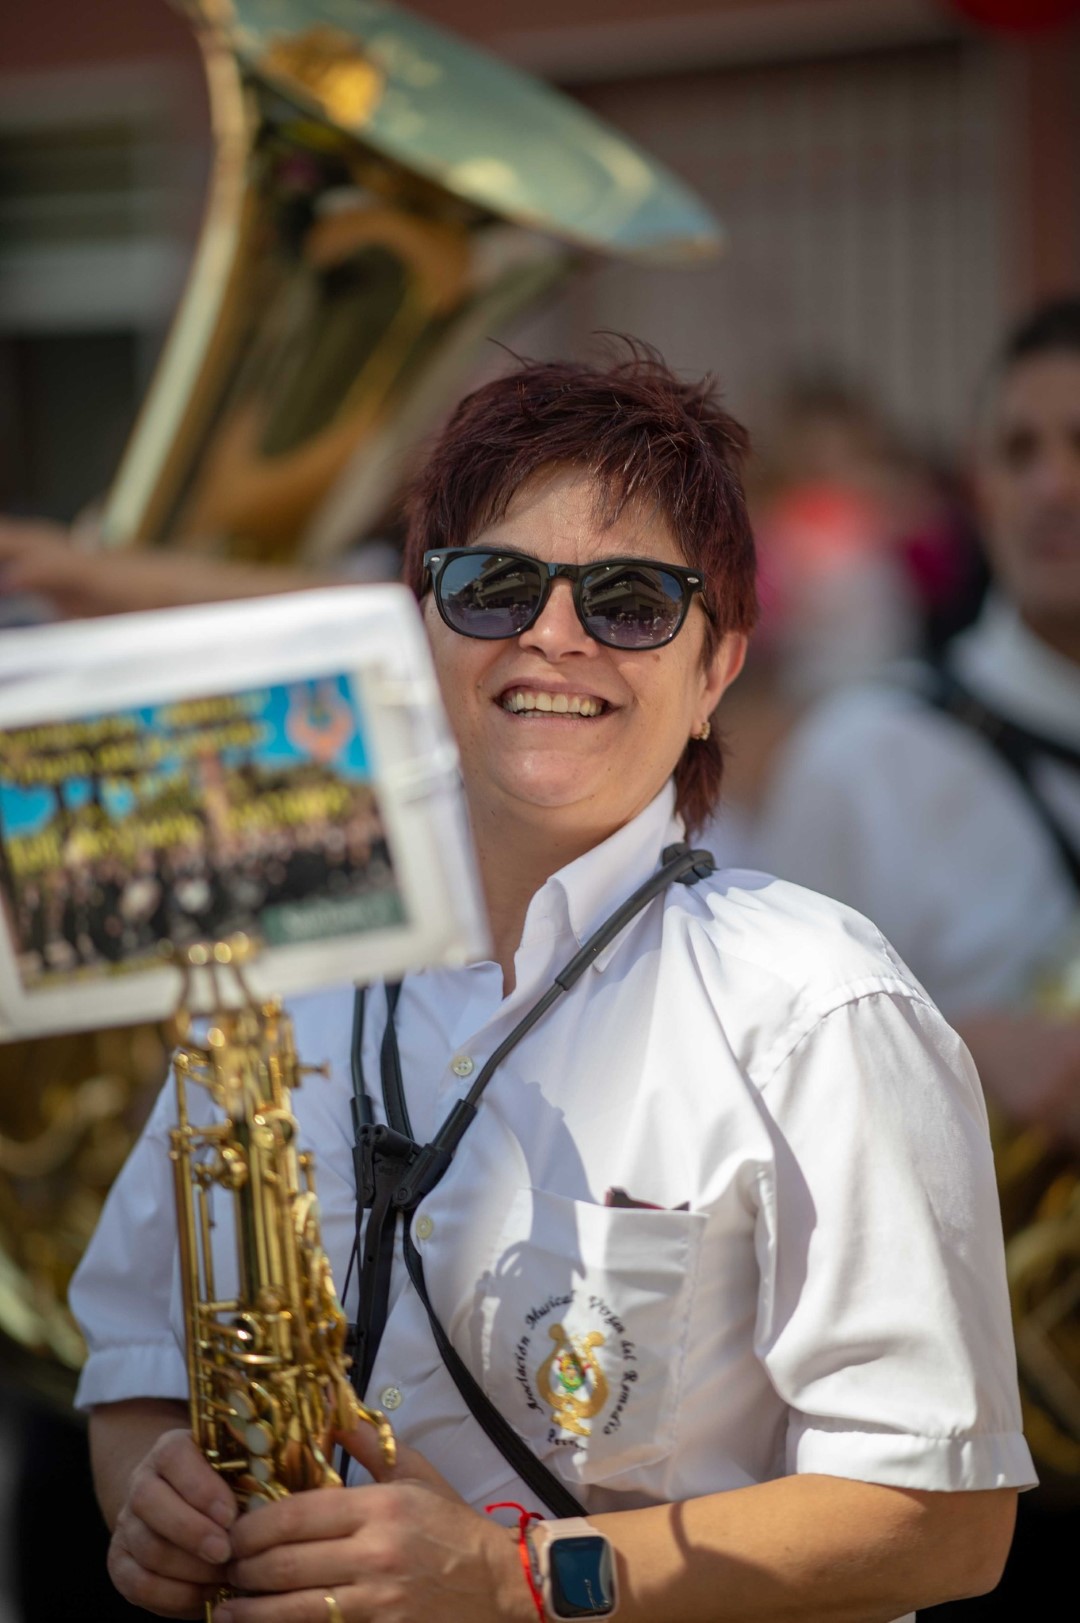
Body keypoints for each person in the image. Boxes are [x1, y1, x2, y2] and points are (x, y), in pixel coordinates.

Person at [69, 349, 1032, 1623]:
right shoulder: (273, 968)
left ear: (718, 668)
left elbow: (945, 1520)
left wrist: (514, 1579)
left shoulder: (824, 1005)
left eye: (631, 602)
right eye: (495, 587)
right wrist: (154, 1500)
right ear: (421, 631)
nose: (553, 635)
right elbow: (137, 1373)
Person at [751, 299, 1080, 1615]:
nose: (1054, 483)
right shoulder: (866, 753)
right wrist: (966, 1051)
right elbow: (755, 1077)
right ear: (976, 485)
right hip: (1003, 1473)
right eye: (1020, 448)